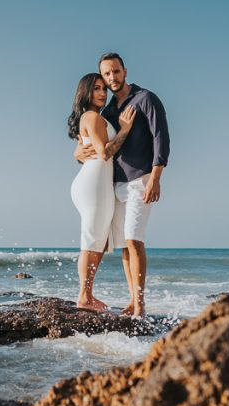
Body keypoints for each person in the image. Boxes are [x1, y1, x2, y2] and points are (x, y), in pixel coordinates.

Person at [75, 52, 170, 316]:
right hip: (114, 185)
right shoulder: (108, 111)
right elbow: (94, 143)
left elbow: (161, 138)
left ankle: (139, 305)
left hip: (141, 179)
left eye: (115, 72)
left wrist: (156, 177)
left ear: (124, 71)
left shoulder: (146, 99)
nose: (111, 78)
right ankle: (131, 300)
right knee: (124, 245)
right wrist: (77, 152)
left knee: (134, 240)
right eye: (106, 75)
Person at [68, 73, 137, 310]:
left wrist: (78, 151)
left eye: (103, 89)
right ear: (85, 92)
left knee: (98, 238)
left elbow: (86, 148)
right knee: (92, 238)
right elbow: (105, 152)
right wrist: (125, 130)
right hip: (94, 182)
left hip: (96, 180)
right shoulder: (91, 116)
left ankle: (87, 294)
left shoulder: (94, 117)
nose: (102, 93)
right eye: (96, 88)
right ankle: (84, 296)